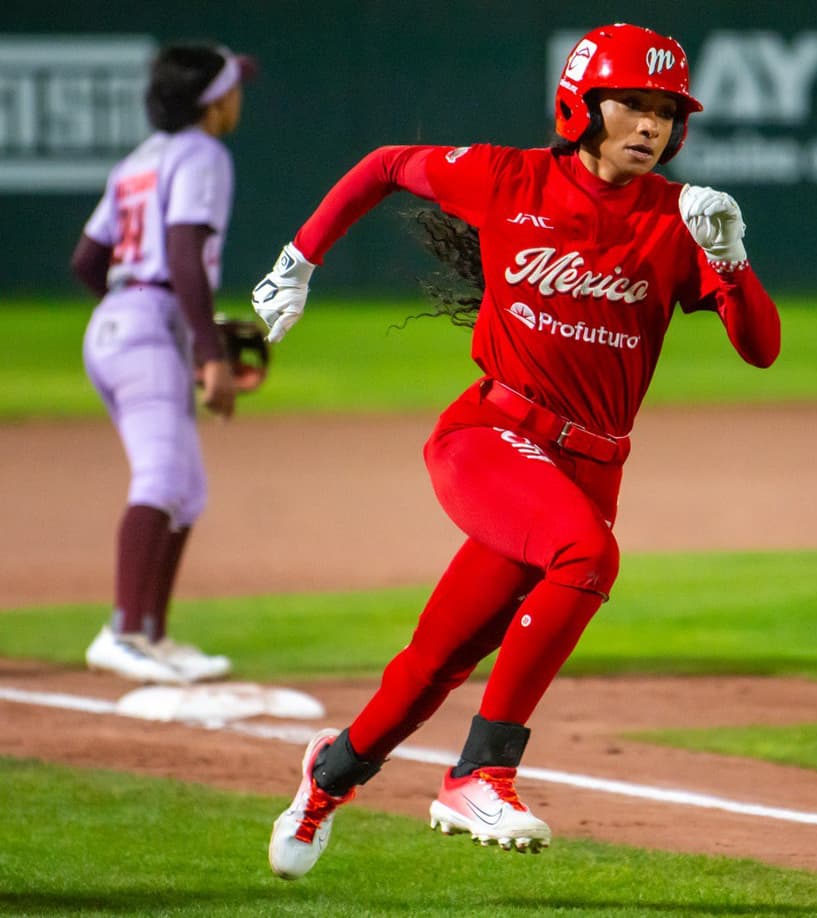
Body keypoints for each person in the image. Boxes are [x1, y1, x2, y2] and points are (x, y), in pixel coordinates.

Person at [256, 23, 780, 879]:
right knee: (588, 557)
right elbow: (385, 165)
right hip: (490, 437)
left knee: (436, 663)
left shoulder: (683, 218)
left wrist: (731, 260)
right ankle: (481, 772)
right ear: (582, 105)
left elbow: (761, 349)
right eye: (631, 103)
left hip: (591, 469)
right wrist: (298, 259)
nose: (651, 124)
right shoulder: (509, 178)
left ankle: (329, 775)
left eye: (666, 110)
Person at [71, 44, 255, 684]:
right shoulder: (202, 154)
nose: (238, 98)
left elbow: (87, 262)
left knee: (185, 489)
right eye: (233, 87)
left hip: (121, 324)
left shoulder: (138, 160)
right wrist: (209, 353)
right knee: (161, 479)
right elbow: (182, 252)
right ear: (213, 101)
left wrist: (129, 308)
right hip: (150, 324)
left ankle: (151, 635)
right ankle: (122, 632)